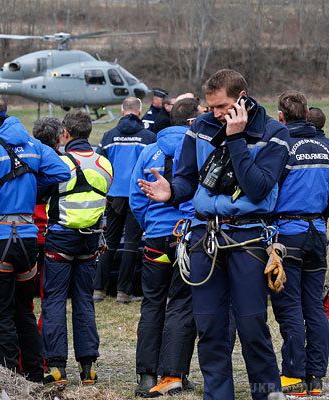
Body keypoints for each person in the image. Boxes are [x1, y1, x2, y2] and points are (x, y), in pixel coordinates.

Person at [138, 69, 289, 399]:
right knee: (209, 329)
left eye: (222, 107)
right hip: (204, 239)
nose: (216, 114)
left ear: (242, 97)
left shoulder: (274, 134)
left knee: (252, 328)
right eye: (211, 107)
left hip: (248, 239)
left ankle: (267, 393)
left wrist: (235, 139)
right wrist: (171, 192)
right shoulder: (200, 129)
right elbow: (186, 179)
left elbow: (259, 187)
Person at [0, 92, 70, 382]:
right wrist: (30, 182)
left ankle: (10, 377)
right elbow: (61, 171)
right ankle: (34, 372)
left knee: (0, 314)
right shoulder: (33, 144)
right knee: (25, 312)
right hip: (28, 238)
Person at [129, 98, 201, 397]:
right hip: (186, 238)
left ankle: (146, 376)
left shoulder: (149, 151)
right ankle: (174, 375)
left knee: (153, 303)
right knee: (183, 305)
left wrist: (151, 225)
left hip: (156, 240)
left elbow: (136, 197)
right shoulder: (199, 150)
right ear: (192, 122)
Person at [41, 111, 112, 386]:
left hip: (60, 238)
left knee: (55, 301)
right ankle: (88, 368)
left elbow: (43, 193)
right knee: (84, 301)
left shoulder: (59, 163)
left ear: (65, 134)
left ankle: (57, 367)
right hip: (90, 240)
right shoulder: (105, 163)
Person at [271, 91, 329, 397]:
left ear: (281, 116)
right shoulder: (326, 147)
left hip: (288, 233)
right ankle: (316, 377)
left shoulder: (281, 146)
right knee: (315, 308)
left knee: (289, 305)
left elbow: (267, 190)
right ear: (306, 113)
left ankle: (293, 375)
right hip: (318, 231)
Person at [95, 96, 156, 303]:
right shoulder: (148, 137)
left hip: (113, 196)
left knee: (108, 242)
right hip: (137, 195)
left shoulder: (108, 136)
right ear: (139, 112)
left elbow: (100, 166)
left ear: (122, 112)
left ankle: (98, 289)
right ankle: (123, 292)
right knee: (131, 244)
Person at [31, 117, 64, 299]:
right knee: (50, 285)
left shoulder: (27, 159)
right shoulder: (63, 163)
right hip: (52, 229)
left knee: (24, 281)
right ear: (59, 138)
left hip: (27, 228)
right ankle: (44, 324)